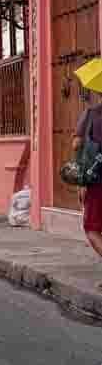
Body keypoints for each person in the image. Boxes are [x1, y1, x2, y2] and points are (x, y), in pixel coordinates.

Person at [74, 101, 102, 268]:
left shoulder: (91, 113)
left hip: (96, 180)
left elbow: (77, 144)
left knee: (92, 229)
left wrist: (81, 181)